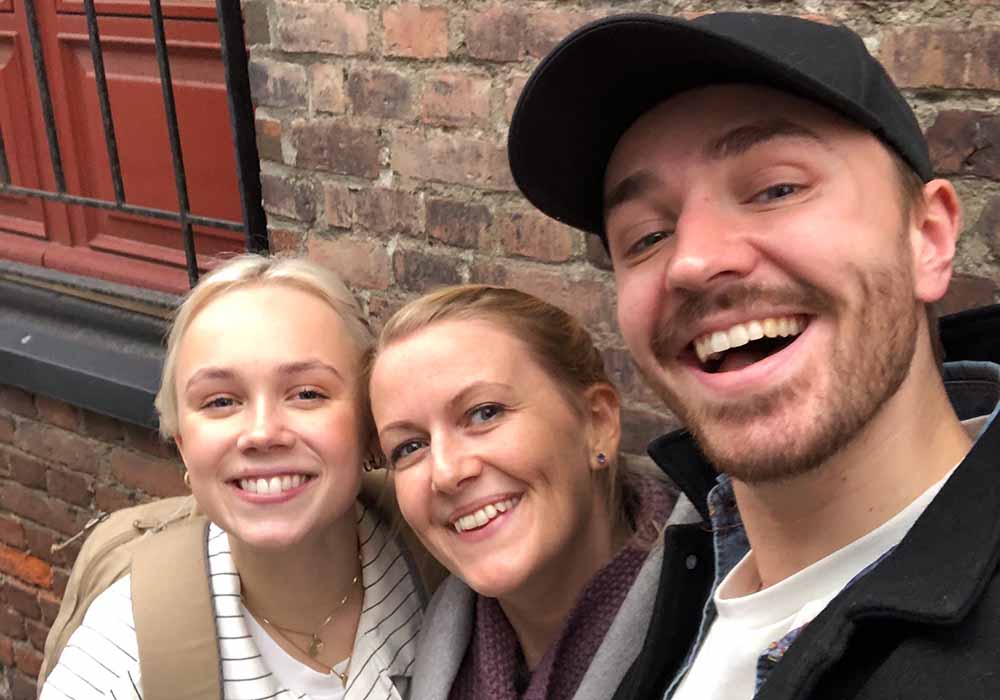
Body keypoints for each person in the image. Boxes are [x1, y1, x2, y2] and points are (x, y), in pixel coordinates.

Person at [506, 11, 1000, 700]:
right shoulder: (678, 574)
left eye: (776, 190)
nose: (693, 261)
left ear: (929, 237)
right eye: (646, 237)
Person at [41, 255, 430, 700]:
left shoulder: (438, 559)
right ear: (183, 443)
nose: (262, 433)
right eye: (221, 401)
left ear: (370, 425)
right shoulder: (121, 660)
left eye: (307, 393)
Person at [367, 284, 675, 699]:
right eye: (409, 447)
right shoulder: (422, 650)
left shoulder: (720, 636)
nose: (446, 472)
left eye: (484, 413)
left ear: (597, 423)